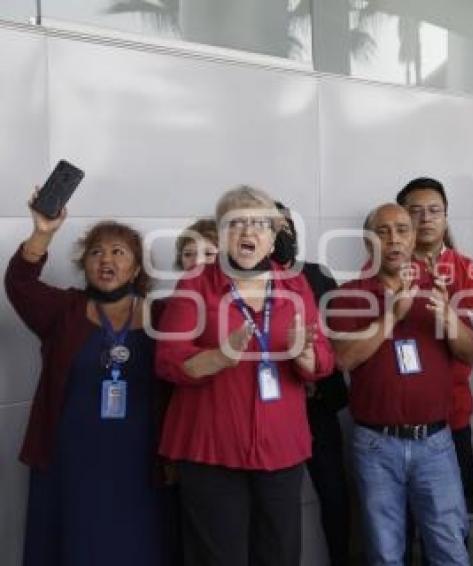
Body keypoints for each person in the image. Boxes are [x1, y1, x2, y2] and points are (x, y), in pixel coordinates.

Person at [155, 185, 334, 566]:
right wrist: (219, 357)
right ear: (221, 235)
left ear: (272, 240)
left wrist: (306, 357)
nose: (248, 232)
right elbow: (168, 360)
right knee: (219, 556)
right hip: (210, 447)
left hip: (281, 446)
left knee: (280, 552)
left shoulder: (296, 284)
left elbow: (324, 359)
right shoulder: (195, 283)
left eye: (260, 225)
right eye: (236, 223)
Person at [6, 192, 166, 566]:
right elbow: (20, 283)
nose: (106, 260)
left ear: (137, 268)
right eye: (96, 253)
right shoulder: (64, 311)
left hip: (141, 460)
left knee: (140, 545)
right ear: (85, 264)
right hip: (71, 459)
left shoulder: (164, 316)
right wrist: (42, 232)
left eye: (118, 252)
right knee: (75, 545)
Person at [326, 203, 473, 566]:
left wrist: (449, 318)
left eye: (402, 230)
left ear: (414, 238)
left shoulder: (439, 290)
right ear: (369, 242)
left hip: (436, 443)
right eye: (383, 231)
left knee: (449, 546)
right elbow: (343, 359)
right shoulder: (348, 295)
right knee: (384, 550)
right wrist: (392, 314)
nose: (394, 239)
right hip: (376, 444)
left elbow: (471, 353)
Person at [396, 177, 473, 520]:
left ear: (446, 217)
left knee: (453, 519)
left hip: (450, 410)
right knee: (402, 520)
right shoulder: (382, 268)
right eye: (415, 211)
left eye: (435, 210)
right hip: (396, 414)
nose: (426, 219)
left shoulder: (469, 270)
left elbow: (472, 346)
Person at [271, 202, 352, 566]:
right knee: (276, 501)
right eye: (270, 227)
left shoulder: (318, 275)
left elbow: (334, 335)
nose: (279, 235)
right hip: (273, 406)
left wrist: (316, 372)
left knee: (333, 490)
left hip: (318, 404)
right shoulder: (247, 281)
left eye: (284, 226)